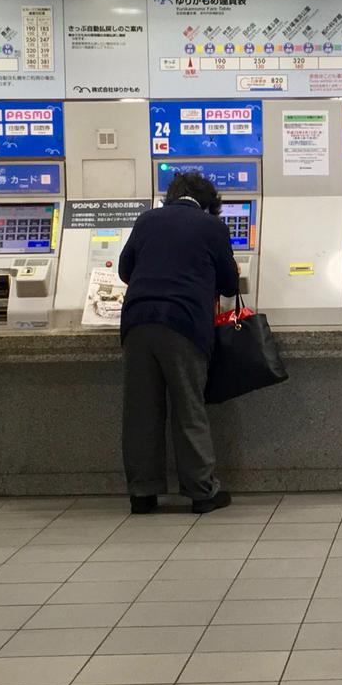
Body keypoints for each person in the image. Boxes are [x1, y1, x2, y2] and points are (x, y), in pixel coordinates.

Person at [119, 171, 238, 515]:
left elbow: (126, 270)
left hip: (138, 323)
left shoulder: (147, 220)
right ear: (208, 204)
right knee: (188, 407)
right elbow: (230, 284)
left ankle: (142, 494)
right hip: (183, 325)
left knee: (141, 411)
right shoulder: (211, 227)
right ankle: (202, 492)